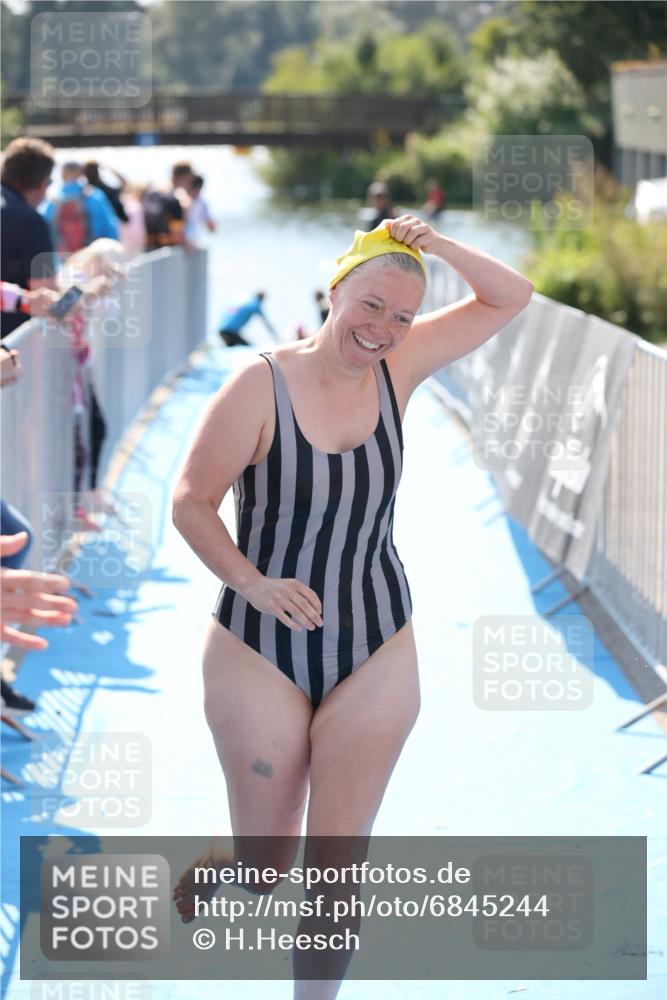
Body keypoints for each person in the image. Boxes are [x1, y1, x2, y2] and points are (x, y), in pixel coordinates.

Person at [170, 215, 533, 997]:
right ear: (335, 290)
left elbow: (510, 295)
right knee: (268, 868)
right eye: (371, 305)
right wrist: (253, 582)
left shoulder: (400, 366)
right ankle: (236, 858)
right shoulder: (258, 384)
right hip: (257, 646)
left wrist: (430, 245)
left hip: (375, 641)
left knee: (336, 872)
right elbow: (192, 503)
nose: (383, 328)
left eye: (401, 315)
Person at [1, 137, 57, 338]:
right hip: (13, 346)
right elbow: (49, 299)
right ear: (42, 184)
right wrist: (89, 290)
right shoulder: (31, 222)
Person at [41, 162, 119, 254]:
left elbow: (45, 231)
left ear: (62, 175)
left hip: (62, 258)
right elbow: (110, 227)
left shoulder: (53, 201)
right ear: (82, 174)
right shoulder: (94, 196)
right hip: (93, 256)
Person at [184, 174, 216, 249]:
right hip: (183, 243)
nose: (196, 191)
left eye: (198, 188)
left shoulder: (202, 203)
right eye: (194, 188)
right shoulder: (182, 198)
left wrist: (211, 225)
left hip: (195, 243)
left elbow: (211, 227)